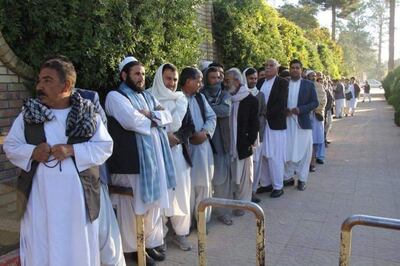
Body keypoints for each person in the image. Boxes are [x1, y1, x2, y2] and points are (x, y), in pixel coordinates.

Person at [4, 57, 113, 266]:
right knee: (42, 248)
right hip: (40, 200)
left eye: (47, 81)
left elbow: (105, 146)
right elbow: (11, 146)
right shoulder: (28, 115)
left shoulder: (88, 114)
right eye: (39, 81)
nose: (40, 86)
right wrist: (32, 152)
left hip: (78, 202)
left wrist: (72, 150)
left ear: (67, 85)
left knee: (77, 249)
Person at [105, 56, 176, 265]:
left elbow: (168, 117)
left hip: (153, 162)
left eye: (143, 74)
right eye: (137, 74)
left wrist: (149, 114)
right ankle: (132, 250)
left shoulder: (146, 96)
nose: (141, 78)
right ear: (124, 75)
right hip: (130, 164)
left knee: (152, 206)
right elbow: (131, 121)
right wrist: (154, 117)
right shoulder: (115, 96)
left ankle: (147, 244)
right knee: (131, 209)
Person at [148, 63, 195, 251]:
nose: (172, 83)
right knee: (161, 196)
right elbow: (145, 124)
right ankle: (159, 238)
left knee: (181, 195)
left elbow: (189, 126)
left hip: (177, 154)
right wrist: (162, 137)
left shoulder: (181, 99)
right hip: (157, 154)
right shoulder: (149, 98)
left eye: (175, 79)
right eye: (168, 78)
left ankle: (180, 233)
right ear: (160, 78)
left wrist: (176, 138)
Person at [180, 67, 216, 226]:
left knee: (204, 185)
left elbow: (211, 117)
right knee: (187, 187)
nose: (201, 84)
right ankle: (186, 224)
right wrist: (189, 136)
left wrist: (205, 133)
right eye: (199, 80)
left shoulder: (200, 98)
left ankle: (202, 221)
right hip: (185, 148)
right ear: (188, 81)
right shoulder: (177, 99)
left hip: (202, 148)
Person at [201, 66, 232, 225]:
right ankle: (203, 215)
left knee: (221, 180)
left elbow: (224, 110)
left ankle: (223, 212)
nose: (216, 80)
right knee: (205, 180)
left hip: (221, 142)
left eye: (219, 77)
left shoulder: (225, 94)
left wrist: (206, 109)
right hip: (204, 142)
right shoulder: (201, 94)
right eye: (213, 77)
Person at [225, 68, 259, 215]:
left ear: (237, 81)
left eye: (228, 81)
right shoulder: (227, 98)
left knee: (245, 178)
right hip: (229, 145)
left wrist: (250, 142)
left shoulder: (250, 99)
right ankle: (233, 202)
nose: (225, 84)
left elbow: (254, 123)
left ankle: (243, 205)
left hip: (243, 145)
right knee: (233, 177)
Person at [254, 59, 289, 198]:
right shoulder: (260, 82)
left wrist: (264, 114)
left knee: (275, 156)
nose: (267, 68)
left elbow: (281, 104)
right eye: (266, 66)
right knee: (262, 155)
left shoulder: (282, 83)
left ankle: (278, 186)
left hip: (275, 124)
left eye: (271, 66)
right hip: (261, 125)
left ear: (277, 68)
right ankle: (266, 183)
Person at [284, 59, 318, 191]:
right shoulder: (284, 84)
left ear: (301, 70)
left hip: (302, 123)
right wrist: (284, 110)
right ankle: (287, 177)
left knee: (304, 152)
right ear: (290, 69)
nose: (295, 70)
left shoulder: (308, 85)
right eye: (292, 67)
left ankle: (302, 179)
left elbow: (314, 103)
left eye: (297, 68)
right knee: (288, 151)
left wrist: (300, 109)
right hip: (287, 123)